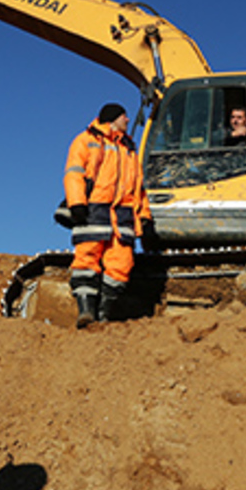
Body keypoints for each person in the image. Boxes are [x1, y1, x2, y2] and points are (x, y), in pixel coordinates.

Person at [64, 103, 151, 327]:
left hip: (122, 215)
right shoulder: (85, 140)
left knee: (121, 265)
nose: (128, 120)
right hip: (93, 209)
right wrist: (77, 203)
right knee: (86, 258)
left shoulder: (129, 149)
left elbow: (138, 188)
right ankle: (86, 311)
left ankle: (103, 314)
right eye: (125, 116)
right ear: (113, 118)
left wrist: (144, 218)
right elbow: (74, 173)